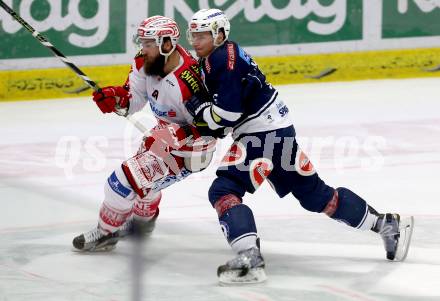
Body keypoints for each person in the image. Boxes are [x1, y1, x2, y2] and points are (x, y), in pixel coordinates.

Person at [185, 8, 414, 284]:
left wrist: (200, 111)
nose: (196, 41)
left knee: (224, 190)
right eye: (194, 35)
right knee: (316, 196)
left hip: (261, 134)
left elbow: (229, 115)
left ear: (220, 34)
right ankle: (386, 224)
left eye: (203, 35)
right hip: (277, 129)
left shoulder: (221, 60)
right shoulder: (222, 54)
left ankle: (250, 257)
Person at [72, 15, 217, 252]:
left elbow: (210, 130)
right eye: (143, 42)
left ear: (167, 44)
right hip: (162, 137)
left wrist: (174, 136)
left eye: (149, 43)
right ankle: (142, 224)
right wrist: (117, 98)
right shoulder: (144, 61)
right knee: (145, 187)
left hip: (189, 152)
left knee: (119, 183)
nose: (143, 49)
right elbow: (134, 97)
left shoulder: (190, 82)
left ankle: (106, 233)